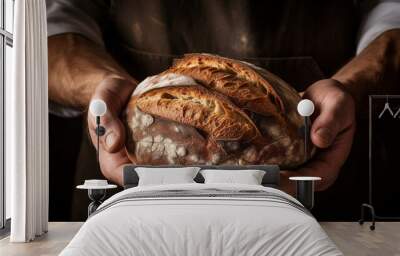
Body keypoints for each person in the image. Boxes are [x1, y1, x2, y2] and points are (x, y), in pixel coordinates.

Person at [46, 0, 400, 214]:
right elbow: (42, 26)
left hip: (323, 181)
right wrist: (99, 88)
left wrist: (351, 89)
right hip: (132, 194)